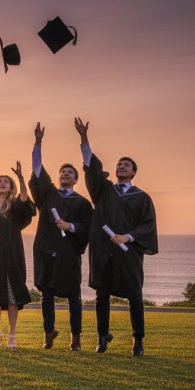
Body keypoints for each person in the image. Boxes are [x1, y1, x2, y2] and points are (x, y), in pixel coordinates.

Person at [74, 117, 158, 356]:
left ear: (133, 173)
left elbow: (148, 225)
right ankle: (102, 338)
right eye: (119, 164)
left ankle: (138, 340)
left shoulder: (142, 197)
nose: (121, 167)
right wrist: (84, 138)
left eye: (126, 165)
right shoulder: (104, 191)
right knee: (102, 296)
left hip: (129, 252)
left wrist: (128, 237)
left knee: (135, 297)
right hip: (104, 250)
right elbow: (91, 166)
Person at [29, 123, 93, 351]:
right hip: (47, 249)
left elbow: (89, 227)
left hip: (69, 253)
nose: (65, 174)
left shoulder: (83, 203)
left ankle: (76, 338)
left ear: (76, 180)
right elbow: (37, 171)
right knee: (46, 295)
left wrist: (71, 226)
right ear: (58, 178)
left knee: (73, 297)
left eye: (70, 173)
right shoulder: (48, 195)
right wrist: (38, 142)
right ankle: (49, 334)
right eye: (63, 172)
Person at [0, 163, 36, 348]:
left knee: (12, 294)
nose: (2, 184)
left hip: (12, 254)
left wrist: (20, 178)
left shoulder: (15, 206)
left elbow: (26, 202)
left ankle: (12, 334)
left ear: (11, 187)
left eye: (6, 182)